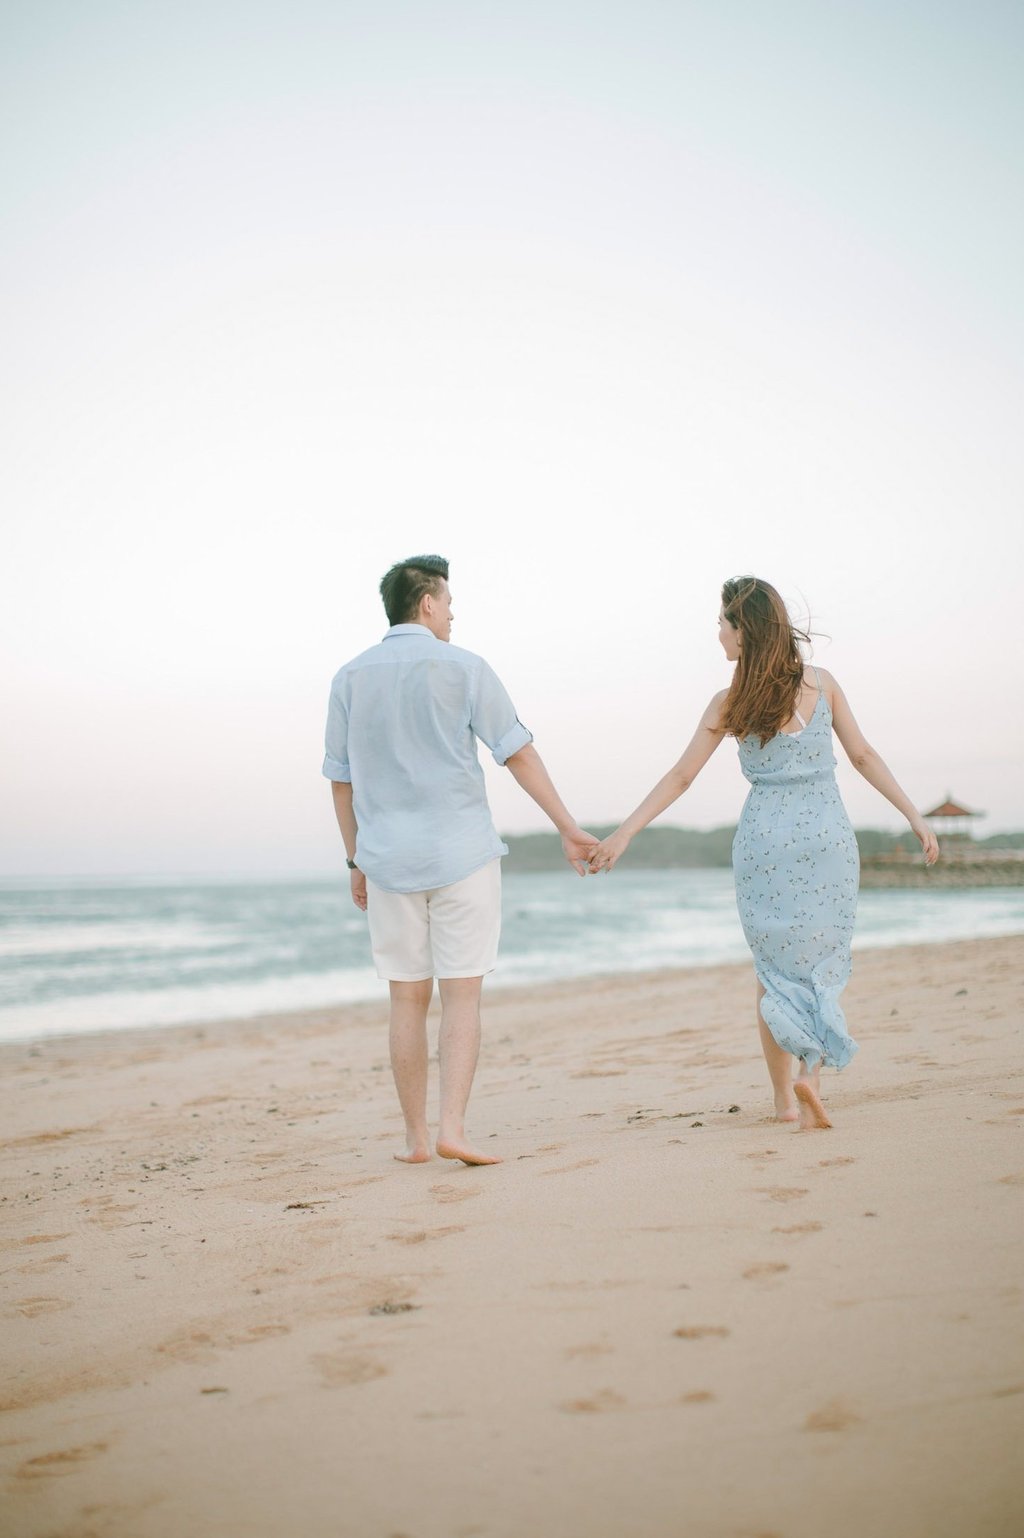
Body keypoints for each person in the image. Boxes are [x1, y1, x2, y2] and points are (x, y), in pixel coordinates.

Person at [587, 576, 939, 1131]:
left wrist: (624, 833)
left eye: (723, 624)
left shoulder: (730, 702)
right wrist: (913, 815)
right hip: (825, 836)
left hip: (765, 843)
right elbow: (864, 756)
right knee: (819, 965)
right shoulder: (823, 685)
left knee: (772, 972)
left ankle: (783, 1101)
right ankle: (812, 1075)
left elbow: (681, 776)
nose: (717, 634)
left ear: (744, 631)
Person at [324, 554, 596, 1166]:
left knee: (405, 999)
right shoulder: (465, 667)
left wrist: (354, 861)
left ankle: (417, 1141)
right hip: (462, 852)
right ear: (427, 603)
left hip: (386, 858)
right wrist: (567, 827)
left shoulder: (349, 677)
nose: (452, 614)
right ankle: (453, 1128)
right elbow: (516, 753)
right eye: (447, 602)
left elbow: (340, 782)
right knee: (463, 996)